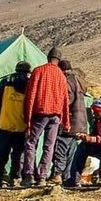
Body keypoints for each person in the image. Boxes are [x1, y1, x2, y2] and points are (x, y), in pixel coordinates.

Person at [22, 48, 70, 186]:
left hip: (40, 113)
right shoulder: (61, 75)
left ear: (48, 57)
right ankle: (42, 177)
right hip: (55, 115)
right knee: (49, 146)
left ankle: (29, 174)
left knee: (31, 142)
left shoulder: (38, 71)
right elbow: (65, 99)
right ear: (59, 60)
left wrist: (28, 116)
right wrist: (65, 119)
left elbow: (30, 95)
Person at [0, 61, 32, 187]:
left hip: (5, 123)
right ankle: (15, 177)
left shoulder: (6, 81)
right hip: (22, 124)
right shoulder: (30, 83)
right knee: (18, 153)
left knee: (2, 152)